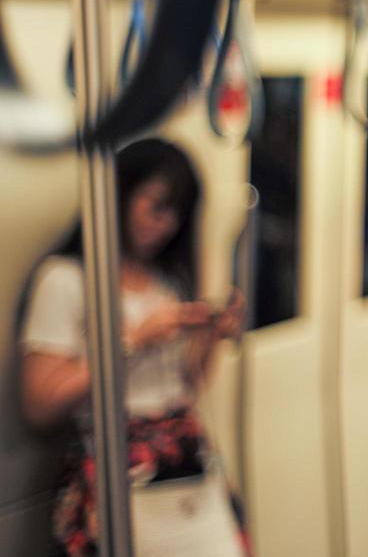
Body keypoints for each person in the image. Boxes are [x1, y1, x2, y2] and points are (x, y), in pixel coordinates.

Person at [20, 137, 246, 557]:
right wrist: (134, 339)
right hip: (114, 460)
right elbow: (40, 404)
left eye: (177, 213)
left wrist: (212, 335)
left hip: (183, 457)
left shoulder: (166, 279)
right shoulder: (66, 280)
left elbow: (186, 382)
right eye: (156, 205)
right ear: (122, 194)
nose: (166, 224)